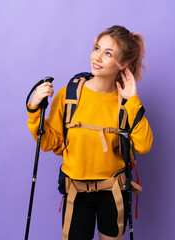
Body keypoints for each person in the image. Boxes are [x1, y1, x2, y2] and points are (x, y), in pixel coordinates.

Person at [27, 25, 153, 240]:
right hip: (76, 192)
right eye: (97, 48)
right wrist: (35, 109)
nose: (98, 57)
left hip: (113, 191)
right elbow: (49, 143)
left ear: (122, 64)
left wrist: (133, 101)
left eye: (108, 53)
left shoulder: (126, 103)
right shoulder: (70, 94)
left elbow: (144, 145)